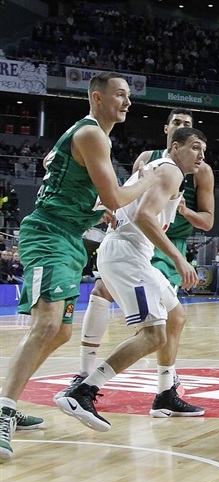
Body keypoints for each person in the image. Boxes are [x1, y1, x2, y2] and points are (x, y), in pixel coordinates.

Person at [0, 72, 156, 462]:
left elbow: (91, 194)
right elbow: (116, 196)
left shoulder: (93, 137)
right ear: (97, 97)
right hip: (49, 234)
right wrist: (147, 182)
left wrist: (99, 209)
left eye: (128, 96)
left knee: (60, 332)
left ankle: (8, 400)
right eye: (119, 94)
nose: (127, 102)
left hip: (70, 237)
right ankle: (2, 411)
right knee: (47, 325)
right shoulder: (90, 134)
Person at [55, 108, 215, 412]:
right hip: (127, 254)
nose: (200, 155)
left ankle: (166, 394)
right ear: (175, 146)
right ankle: (85, 389)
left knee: (176, 316)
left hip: (134, 252)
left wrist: (108, 208)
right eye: (195, 147)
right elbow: (144, 216)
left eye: (204, 150)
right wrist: (180, 259)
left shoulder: (162, 167)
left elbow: (124, 197)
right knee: (153, 334)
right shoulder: (170, 170)